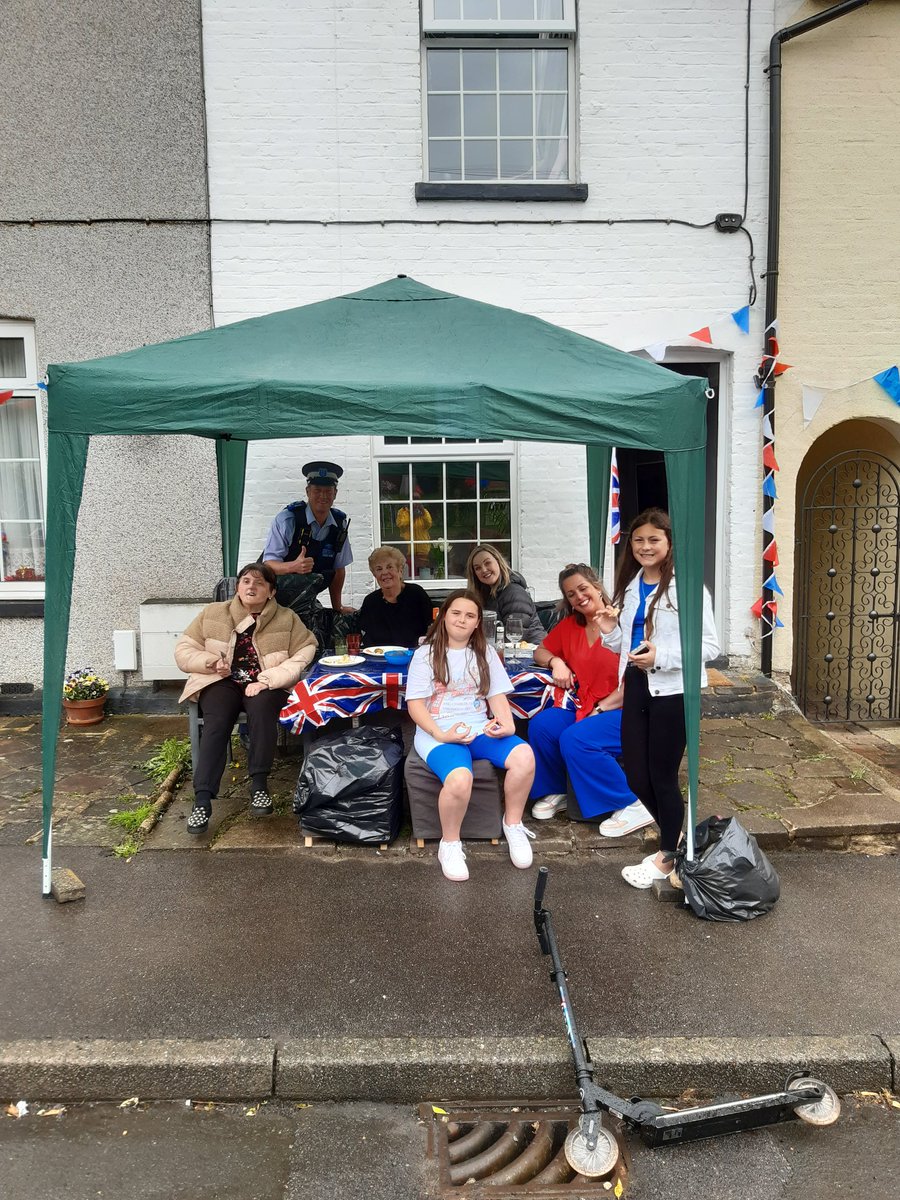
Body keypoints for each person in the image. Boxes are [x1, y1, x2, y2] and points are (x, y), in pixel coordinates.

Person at [601, 508, 720, 889]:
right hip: (637, 685)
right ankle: (677, 838)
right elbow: (627, 644)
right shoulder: (630, 586)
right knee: (637, 776)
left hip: (673, 691)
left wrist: (662, 658)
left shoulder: (687, 588)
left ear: (669, 543)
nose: (645, 546)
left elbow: (710, 646)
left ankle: (668, 854)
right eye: (638, 540)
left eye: (654, 539)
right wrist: (608, 631)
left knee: (662, 776)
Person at [175, 562, 317, 834]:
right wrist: (209, 663)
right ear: (238, 587)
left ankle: (259, 785)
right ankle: (203, 799)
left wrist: (269, 680)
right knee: (217, 722)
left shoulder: (286, 618)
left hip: (264, 683)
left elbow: (306, 649)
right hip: (221, 681)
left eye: (259, 583)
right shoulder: (213, 613)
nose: (251, 587)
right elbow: (184, 649)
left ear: (271, 591)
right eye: (246, 581)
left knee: (263, 711)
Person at [405, 589, 537, 882]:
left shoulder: (485, 653)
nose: (462, 620)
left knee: (524, 756)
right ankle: (449, 844)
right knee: (460, 778)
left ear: (478, 622)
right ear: (442, 616)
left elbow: (497, 695)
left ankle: (512, 824)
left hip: (478, 728)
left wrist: (507, 724)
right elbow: (415, 705)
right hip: (437, 731)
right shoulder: (425, 654)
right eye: (456, 613)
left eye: (469, 616)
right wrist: (441, 733)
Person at [528, 563, 637, 822]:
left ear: (597, 587)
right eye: (570, 594)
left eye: (582, 588)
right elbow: (539, 651)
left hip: (626, 708)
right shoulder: (569, 627)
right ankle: (557, 791)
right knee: (542, 725)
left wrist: (599, 710)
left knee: (575, 738)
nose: (578, 597)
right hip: (583, 705)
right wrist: (557, 662)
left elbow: (635, 680)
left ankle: (628, 802)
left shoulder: (624, 622)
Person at [262, 461, 355, 646]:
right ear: (307, 491)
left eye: (328, 491)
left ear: (335, 494)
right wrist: (293, 566)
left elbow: (338, 569)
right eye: (317, 490)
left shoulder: (339, 523)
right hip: (275, 602)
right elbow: (268, 565)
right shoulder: (288, 519)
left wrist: (338, 608)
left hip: (307, 602)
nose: (323, 496)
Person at [466, 544, 545, 645]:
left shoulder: (514, 593)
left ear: (498, 561)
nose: (484, 570)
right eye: (477, 568)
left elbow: (515, 636)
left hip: (531, 653)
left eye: (487, 563)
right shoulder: (488, 594)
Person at [358, 546, 434, 648]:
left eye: (389, 567)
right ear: (374, 574)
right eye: (379, 569)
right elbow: (367, 639)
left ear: (400, 570)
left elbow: (432, 628)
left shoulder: (416, 594)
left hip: (414, 655)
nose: (384, 573)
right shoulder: (371, 601)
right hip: (380, 659)